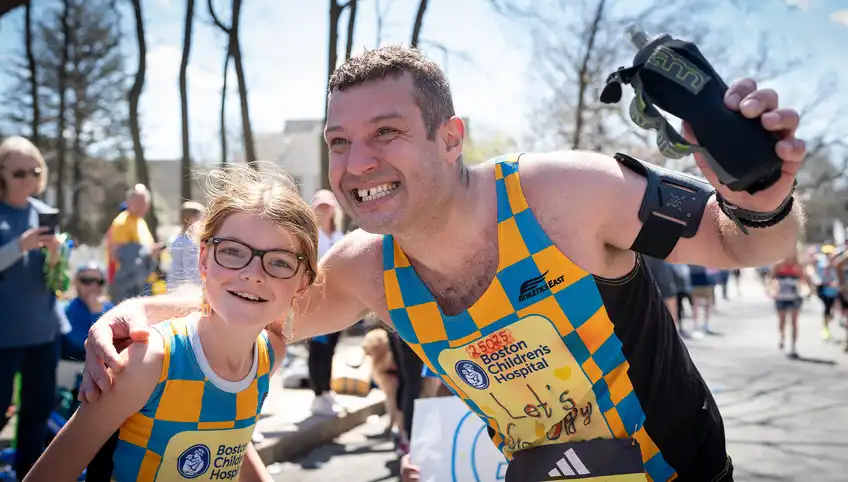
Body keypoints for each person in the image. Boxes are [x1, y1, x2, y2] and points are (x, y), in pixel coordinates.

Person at [82, 46, 807, 481]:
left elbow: (743, 243)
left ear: (451, 137)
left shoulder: (564, 194)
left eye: (386, 133)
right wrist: (129, 314)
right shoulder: (369, 269)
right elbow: (248, 303)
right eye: (339, 141)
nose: (357, 163)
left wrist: (765, 195)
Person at [24, 164, 317, 482]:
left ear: (303, 282)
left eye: (279, 261)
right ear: (203, 259)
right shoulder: (149, 362)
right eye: (232, 251)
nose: (252, 273)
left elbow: (230, 440)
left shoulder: (270, 355)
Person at [0, 136, 62, 479]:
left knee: (37, 414)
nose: (27, 179)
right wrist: (19, 247)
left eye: (34, 171)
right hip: (4, 334)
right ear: (2, 174)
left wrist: (57, 255)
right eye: (19, 172)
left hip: (43, 331)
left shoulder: (43, 212)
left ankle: (28, 475)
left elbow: (59, 281)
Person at [306, 189, 346, 416]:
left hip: (338, 299)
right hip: (314, 299)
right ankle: (317, 393)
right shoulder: (311, 236)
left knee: (330, 347)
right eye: (320, 207)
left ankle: (327, 390)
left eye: (327, 206)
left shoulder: (339, 236)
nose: (324, 211)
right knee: (317, 348)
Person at [108, 185, 162, 303]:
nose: (141, 206)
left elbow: (145, 249)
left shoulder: (140, 222)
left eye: (144, 202)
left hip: (143, 281)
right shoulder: (122, 223)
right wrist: (146, 250)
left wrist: (153, 250)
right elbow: (116, 254)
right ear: (128, 202)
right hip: (127, 284)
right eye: (137, 202)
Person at [61, 263, 114, 361]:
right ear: (76, 282)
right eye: (87, 281)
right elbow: (85, 344)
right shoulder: (67, 309)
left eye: (99, 282)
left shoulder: (110, 308)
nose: (94, 286)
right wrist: (96, 313)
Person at [768, 251, 807, 358]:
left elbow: (804, 280)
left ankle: (793, 347)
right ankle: (782, 337)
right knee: (782, 321)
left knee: (794, 322)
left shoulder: (799, 266)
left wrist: (805, 289)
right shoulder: (778, 264)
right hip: (781, 297)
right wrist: (773, 289)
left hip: (795, 297)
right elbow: (771, 278)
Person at [166, 201, 206, 290]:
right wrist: (200, 287)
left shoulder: (177, 237)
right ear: (191, 218)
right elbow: (191, 269)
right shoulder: (189, 242)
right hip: (184, 288)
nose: (203, 219)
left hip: (173, 283)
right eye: (200, 216)